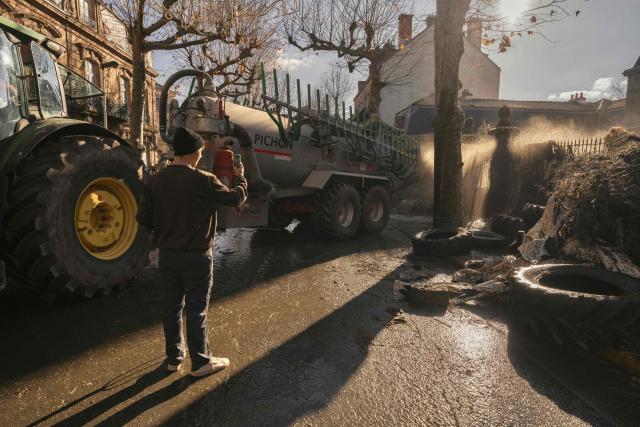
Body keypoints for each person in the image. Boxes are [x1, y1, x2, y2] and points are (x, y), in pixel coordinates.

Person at [137, 126, 247, 378]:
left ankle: (174, 359)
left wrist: (165, 231)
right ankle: (201, 362)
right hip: (197, 256)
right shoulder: (204, 179)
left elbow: (142, 217)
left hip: (167, 255)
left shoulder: (155, 180)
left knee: (171, 307)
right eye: (199, 150)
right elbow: (234, 200)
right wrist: (241, 179)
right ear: (193, 152)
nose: (200, 155)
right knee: (197, 309)